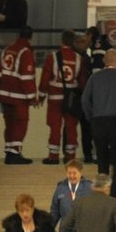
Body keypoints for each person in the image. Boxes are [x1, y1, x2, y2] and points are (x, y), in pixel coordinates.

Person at [83, 49, 116, 177]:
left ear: (104, 61)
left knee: (102, 159)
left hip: (98, 122)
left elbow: (84, 99)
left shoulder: (94, 77)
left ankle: (102, 190)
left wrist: (91, 117)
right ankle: (115, 192)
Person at [40, 30, 87, 164]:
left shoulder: (53, 57)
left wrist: (42, 95)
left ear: (62, 40)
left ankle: (53, 156)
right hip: (71, 98)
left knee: (55, 126)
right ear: (73, 42)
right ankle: (70, 156)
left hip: (55, 97)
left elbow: (45, 78)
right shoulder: (79, 59)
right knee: (71, 126)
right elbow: (83, 81)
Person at [0, 26, 37, 164]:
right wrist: (32, 97)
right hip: (19, 96)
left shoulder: (7, 49)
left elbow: (0, 72)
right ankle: (15, 153)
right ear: (31, 37)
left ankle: (9, 151)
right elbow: (26, 77)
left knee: (9, 124)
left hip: (4, 95)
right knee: (20, 124)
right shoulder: (25, 52)